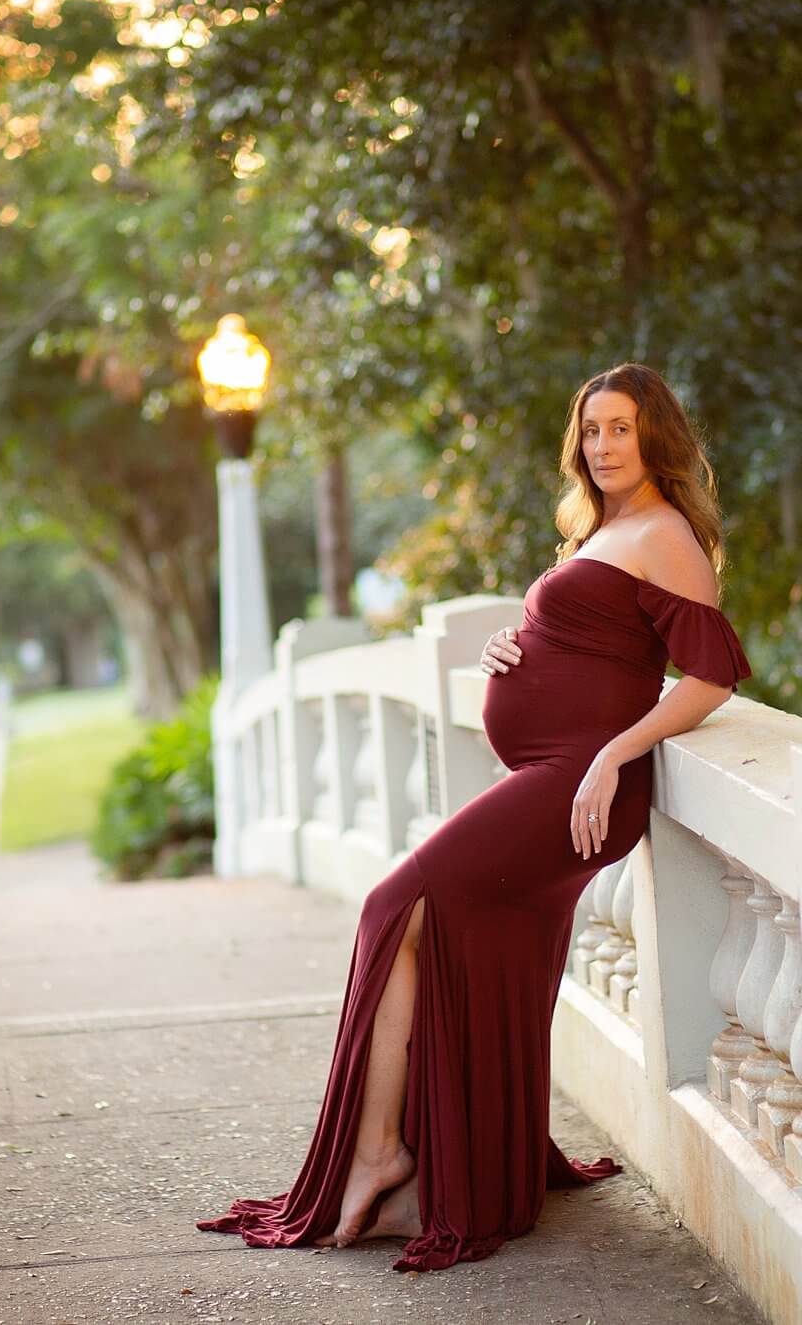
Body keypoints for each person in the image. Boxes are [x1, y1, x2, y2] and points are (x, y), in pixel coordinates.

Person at [197, 362, 754, 1273]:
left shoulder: (667, 535)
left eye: (620, 429)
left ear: (656, 437)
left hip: (579, 785)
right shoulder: (603, 527)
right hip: (546, 768)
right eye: (591, 430)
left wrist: (617, 751)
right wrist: (517, 643)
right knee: (428, 927)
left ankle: (383, 1150)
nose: (602, 446)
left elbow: (709, 676)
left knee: (392, 905)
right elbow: (593, 640)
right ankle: (426, 1158)